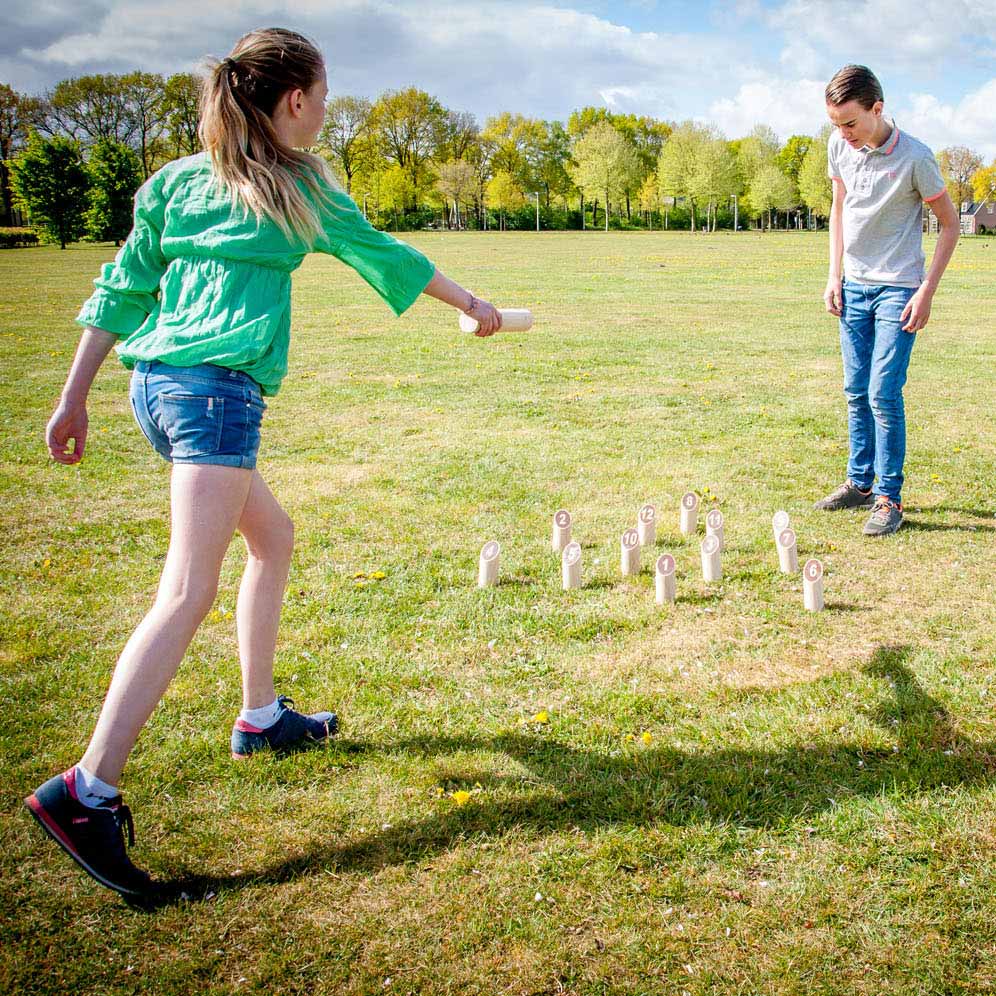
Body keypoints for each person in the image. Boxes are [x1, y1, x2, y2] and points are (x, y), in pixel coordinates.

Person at [24, 27, 502, 900]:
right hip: (215, 397)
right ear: (293, 101)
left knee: (272, 538)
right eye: (322, 97)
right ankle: (86, 789)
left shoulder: (175, 179)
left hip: (158, 388)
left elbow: (123, 289)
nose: (325, 111)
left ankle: (260, 715)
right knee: (186, 591)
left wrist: (74, 393)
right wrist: (473, 306)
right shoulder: (299, 184)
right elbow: (381, 253)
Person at [815, 64, 958, 535]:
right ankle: (859, 484)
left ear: (878, 108)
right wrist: (834, 274)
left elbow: (951, 225)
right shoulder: (840, 146)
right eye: (836, 124)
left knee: (882, 393)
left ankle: (888, 498)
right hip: (852, 286)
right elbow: (839, 207)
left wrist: (926, 291)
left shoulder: (916, 157)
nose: (843, 134)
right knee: (855, 392)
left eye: (851, 123)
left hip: (898, 289)